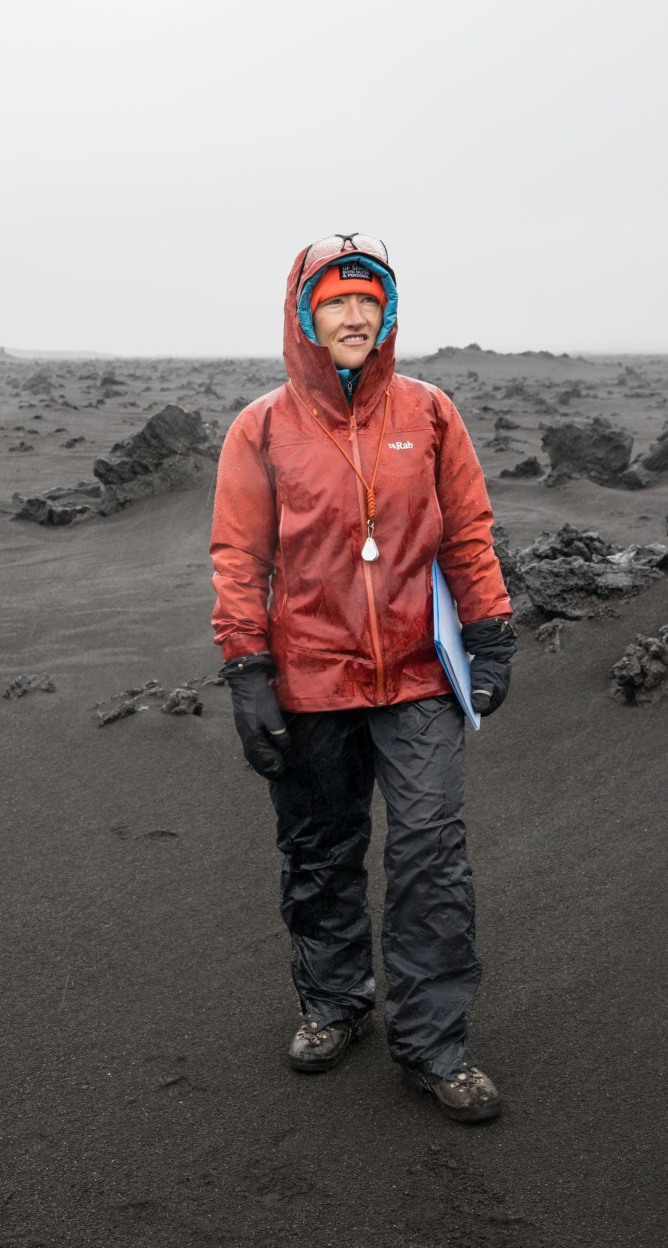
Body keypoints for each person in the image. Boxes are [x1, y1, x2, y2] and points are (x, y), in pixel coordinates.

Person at [209, 232, 517, 1123]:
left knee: (431, 852)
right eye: (337, 300)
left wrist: (491, 631)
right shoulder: (261, 426)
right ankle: (336, 1003)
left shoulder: (428, 414)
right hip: (308, 680)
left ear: (387, 315)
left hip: (420, 676)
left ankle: (433, 1041)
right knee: (321, 851)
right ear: (306, 314)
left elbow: (467, 531)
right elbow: (239, 556)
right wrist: (246, 670)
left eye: (368, 301)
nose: (354, 314)